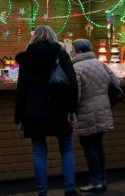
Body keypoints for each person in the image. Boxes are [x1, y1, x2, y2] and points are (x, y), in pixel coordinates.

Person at [15, 25, 79, 196]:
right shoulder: (60, 53)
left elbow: (21, 88)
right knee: (66, 147)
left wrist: (19, 117)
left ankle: (42, 192)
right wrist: (72, 109)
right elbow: (73, 81)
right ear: (53, 36)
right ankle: (69, 189)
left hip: (34, 107)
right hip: (59, 106)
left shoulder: (27, 56)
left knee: (39, 150)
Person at [70, 39, 121, 194]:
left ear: (78, 52)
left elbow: (75, 95)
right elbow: (117, 81)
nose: (70, 53)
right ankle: (102, 179)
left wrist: (71, 111)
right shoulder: (100, 63)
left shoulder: (76, 68)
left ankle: (97, 181)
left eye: (72, 50)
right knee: (98, 144)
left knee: (88, 146)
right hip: (103, 108)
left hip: (86, 112)